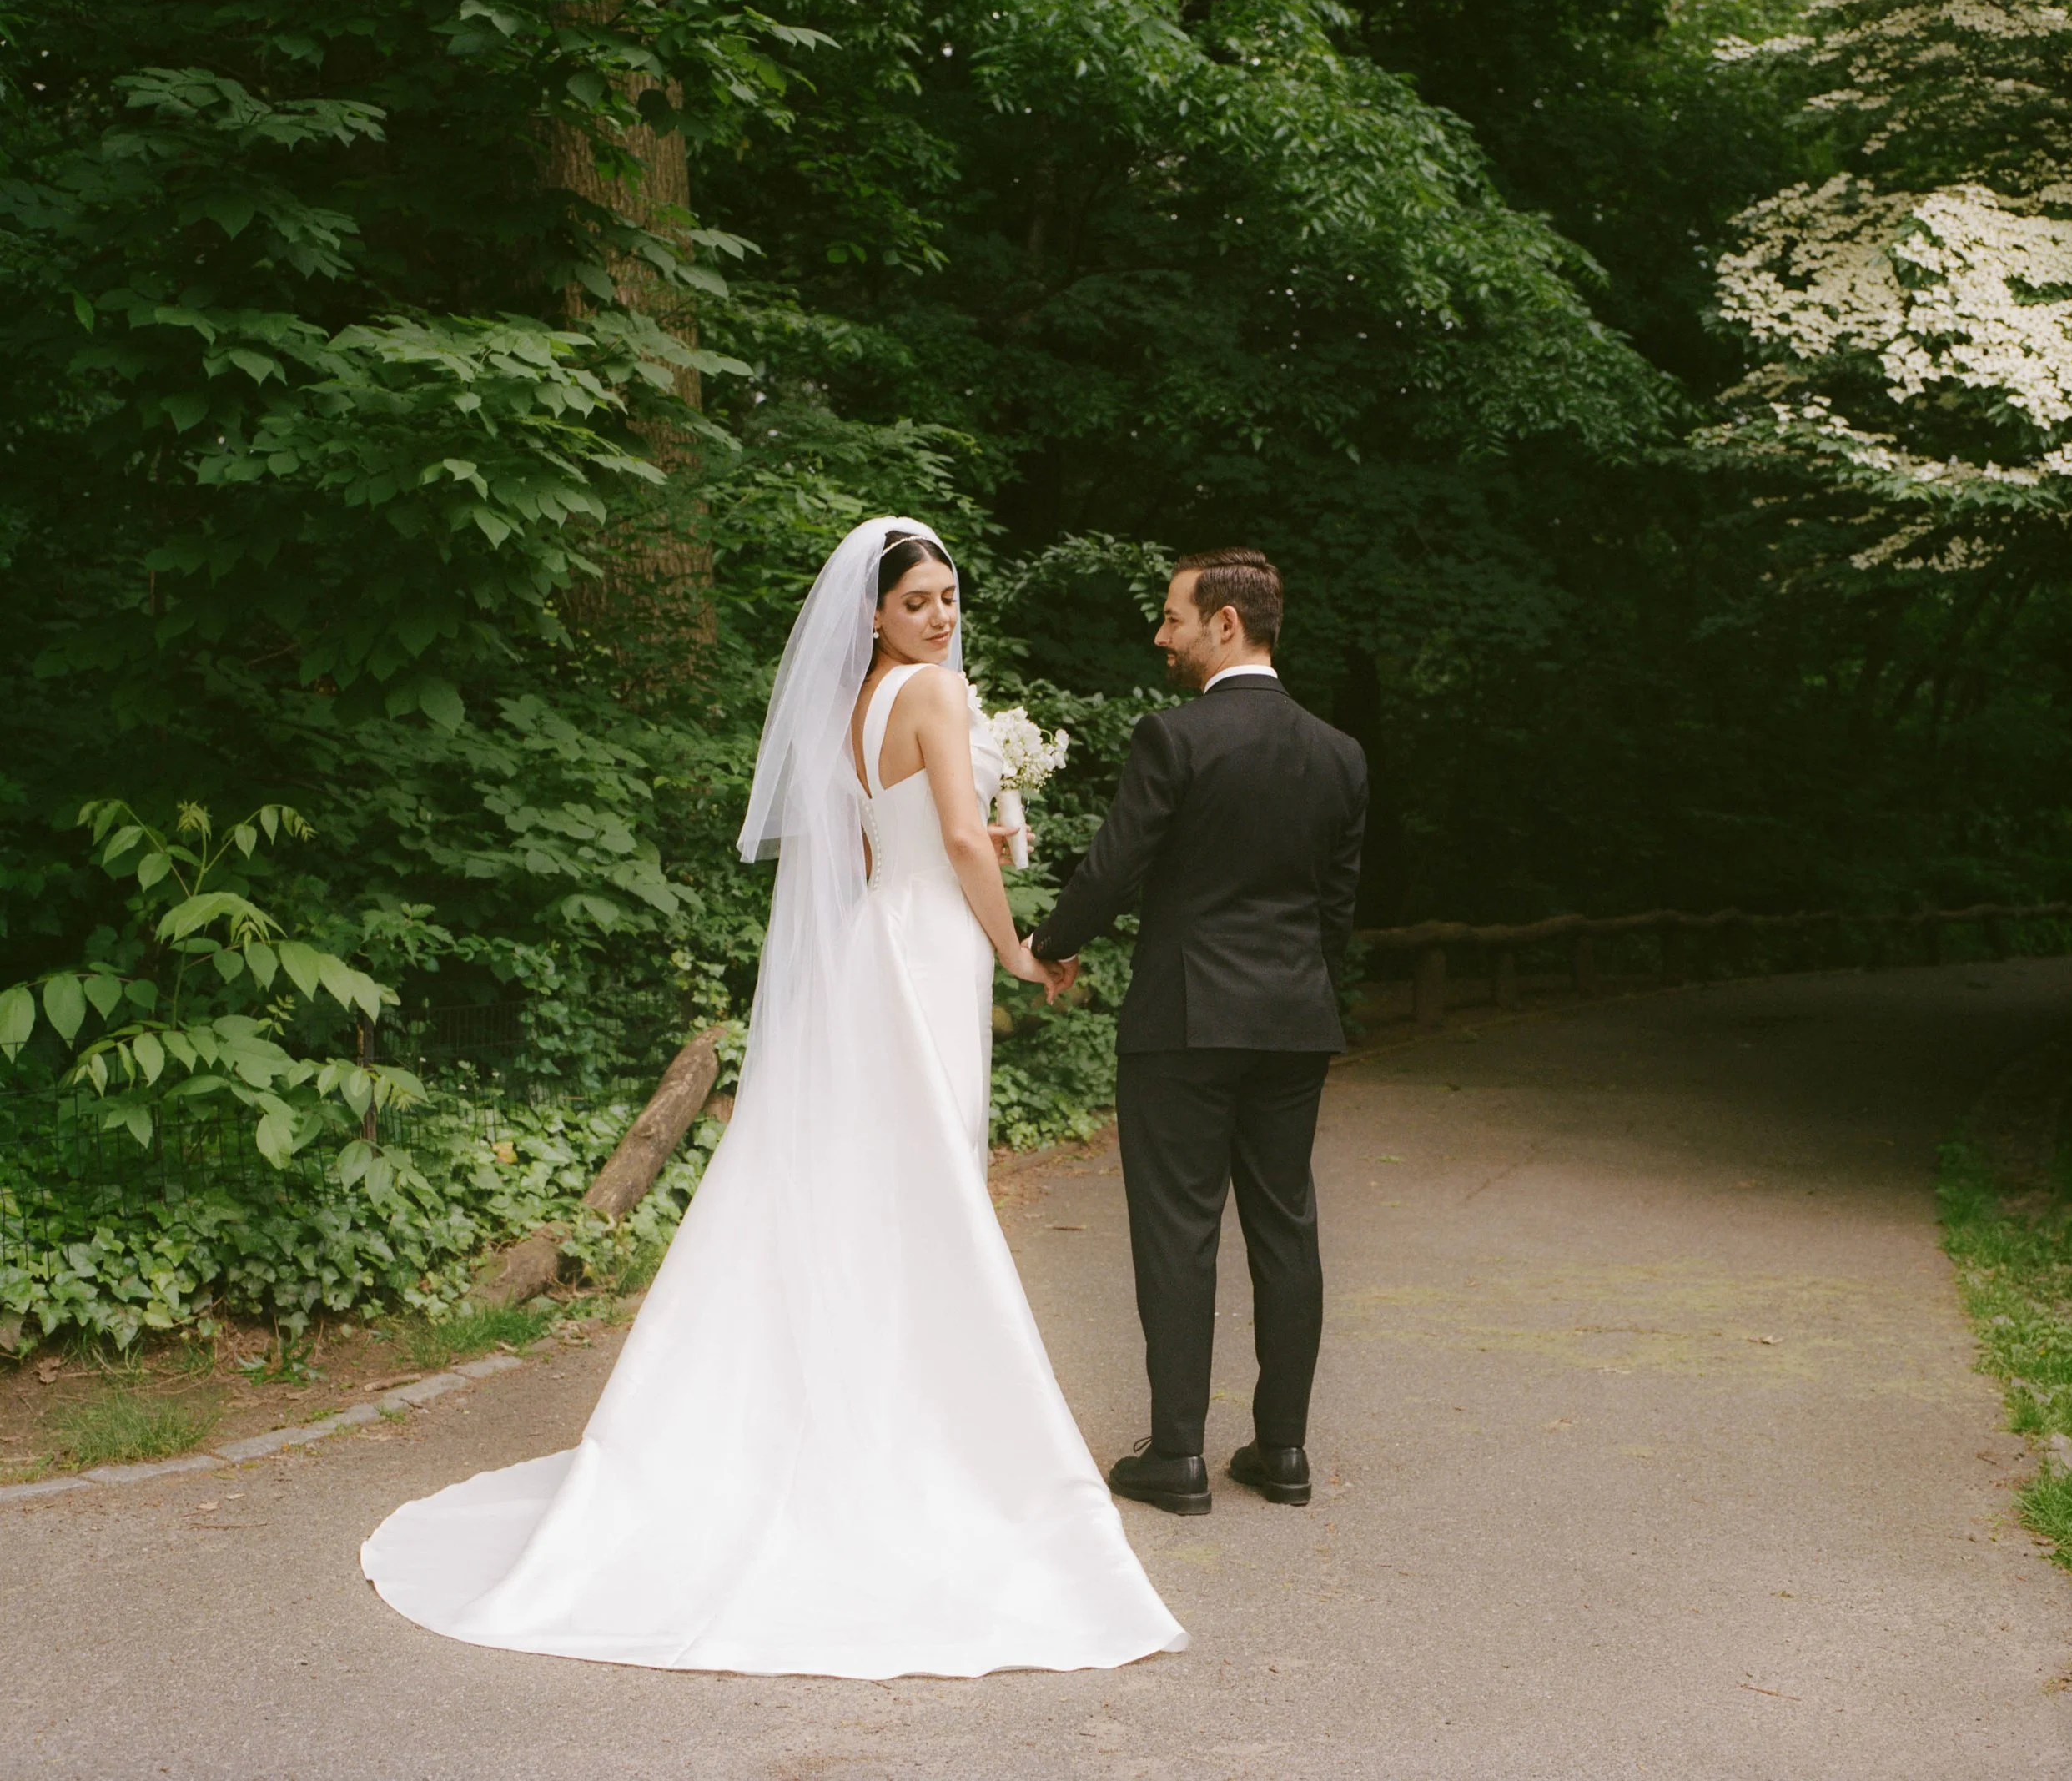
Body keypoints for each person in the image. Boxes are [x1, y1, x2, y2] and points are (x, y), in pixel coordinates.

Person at [360, 518, 1186, 1677]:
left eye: (951, 597)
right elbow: (952, 834)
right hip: (930, 955)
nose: (942, 617)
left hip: (870, 954)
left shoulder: (858, 705)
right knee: (926, 1185)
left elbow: (880, 846)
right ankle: (915, 1425)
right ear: (874, 612)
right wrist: (1016, 949)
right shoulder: (937, 699)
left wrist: (1000, 832)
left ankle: (834, 1400)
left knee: (863, 1184)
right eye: (919, 603)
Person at [1028, 547, 1368, 1517]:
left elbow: (1114, 865)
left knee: (1179, 1232)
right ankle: (1284, 1449)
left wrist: (1050, 942)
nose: (1160, 636)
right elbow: (1334, 909)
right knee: (1285, 1224)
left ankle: (1177, 1455)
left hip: (1183, 1017)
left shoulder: (1175, 739)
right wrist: (1300, 989)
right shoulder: (1338, 753)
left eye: (1173, 618)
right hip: (1294, 1019)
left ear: (1225, 623)